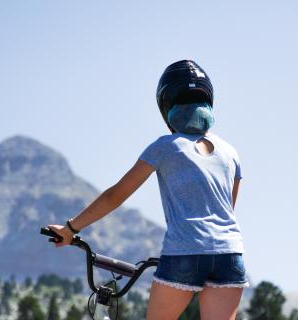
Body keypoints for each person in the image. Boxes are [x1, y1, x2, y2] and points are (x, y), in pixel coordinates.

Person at [48, 60, 248, 320]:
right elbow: (227, 209)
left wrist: (70, 229)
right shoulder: (230, 152)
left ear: (166, 107)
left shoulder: (166, 146)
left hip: (185, 251)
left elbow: (115, 195)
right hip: (229, 253)